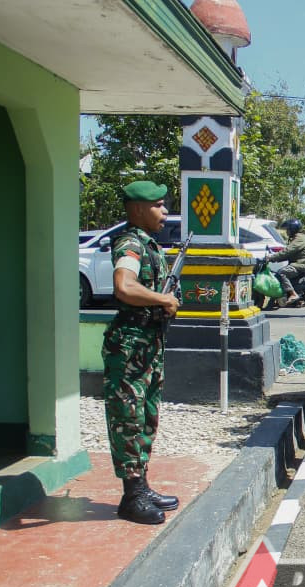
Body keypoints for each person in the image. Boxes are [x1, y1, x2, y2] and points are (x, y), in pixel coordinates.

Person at [102, 180, 181, 525]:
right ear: (136, 209)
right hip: (131, 343)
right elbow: (125, 285)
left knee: (146, 415)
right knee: (128, 418)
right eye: (158, 205)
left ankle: (141, 485)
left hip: (148, 342)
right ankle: (130, 496)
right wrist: (162, 298)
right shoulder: (130, 243)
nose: (164, 212)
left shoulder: (149, 244)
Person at [266, 219, 305, 307]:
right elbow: (287, 254)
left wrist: (271, 258)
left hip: (302, 264)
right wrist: (274, 258)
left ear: (292, 229)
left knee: (282, 273)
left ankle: (293, 294)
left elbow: (288, 251)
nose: (287, 231)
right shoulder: (296, 238)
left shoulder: (299, 238)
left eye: (288, 229)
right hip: (299, 264)